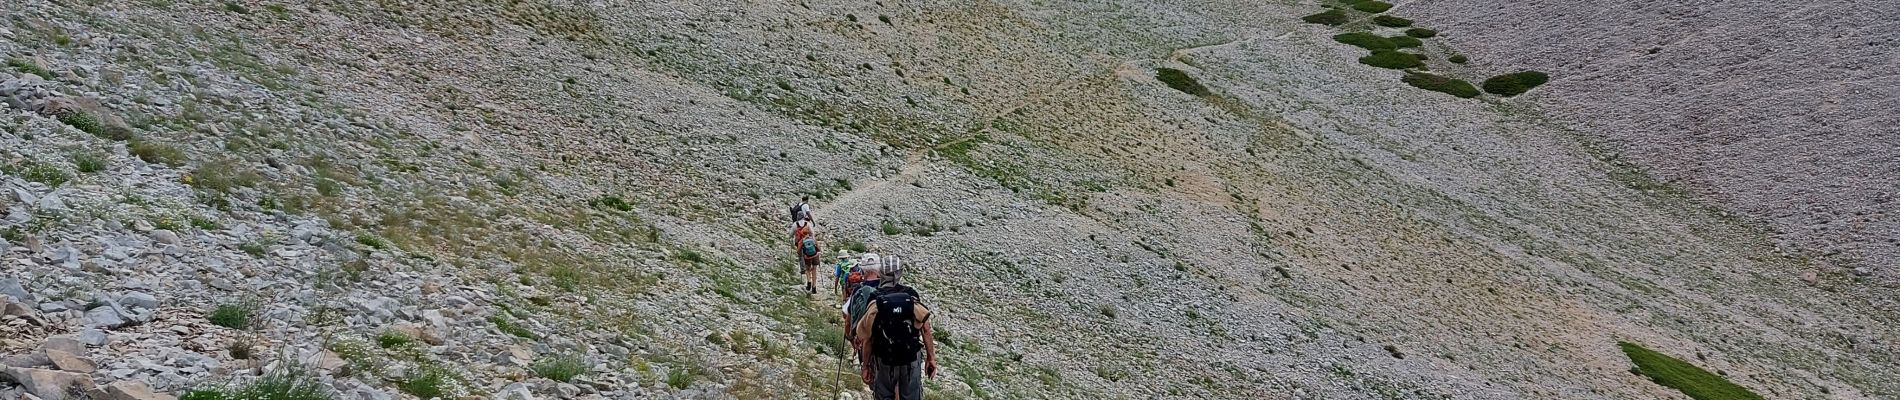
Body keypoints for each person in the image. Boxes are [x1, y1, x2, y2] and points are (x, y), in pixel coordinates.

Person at [853, 258, 936, 400]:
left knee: (884, 395)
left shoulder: (875, 297)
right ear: (900, 273)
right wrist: (931, 357)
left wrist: (866, 365)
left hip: (884, 357)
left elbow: (868, 338)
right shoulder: (910, 295)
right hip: (910, 357)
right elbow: (926, 329)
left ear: (882, 273)